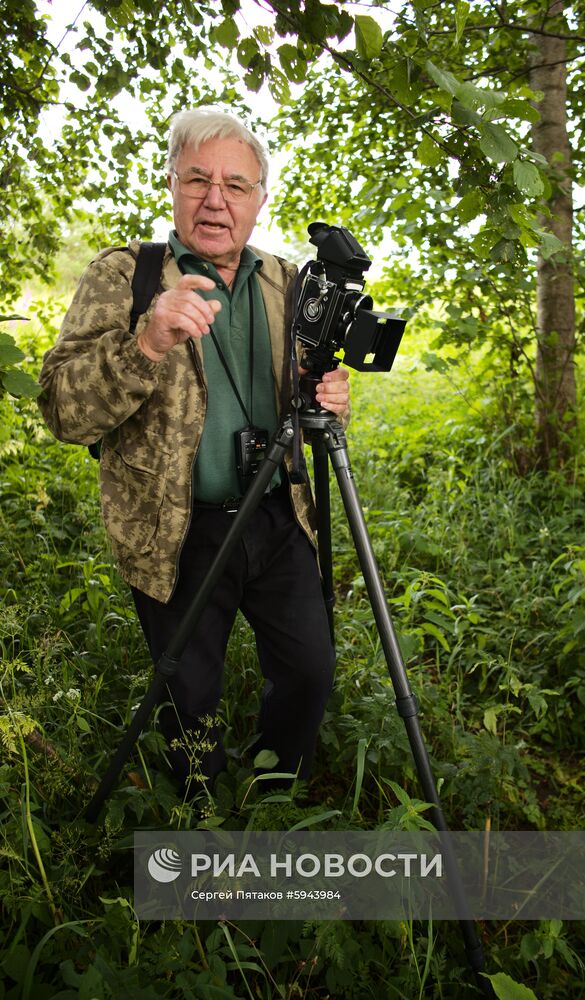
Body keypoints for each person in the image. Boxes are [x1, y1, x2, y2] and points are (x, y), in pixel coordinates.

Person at [38, 107, 349, 797]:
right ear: (171, 184)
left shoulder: (288, 281)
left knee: (308, 672)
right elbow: (63, 410)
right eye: (198, 180)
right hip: (174, 528)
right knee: (190, 698)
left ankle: (271, 798)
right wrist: (146, 342)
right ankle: (198, 815)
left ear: (260, 198)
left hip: (278, 516)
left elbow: (308, 392)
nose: (216, 199)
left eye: (236, 185)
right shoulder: (127, 276)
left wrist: (328, 398)